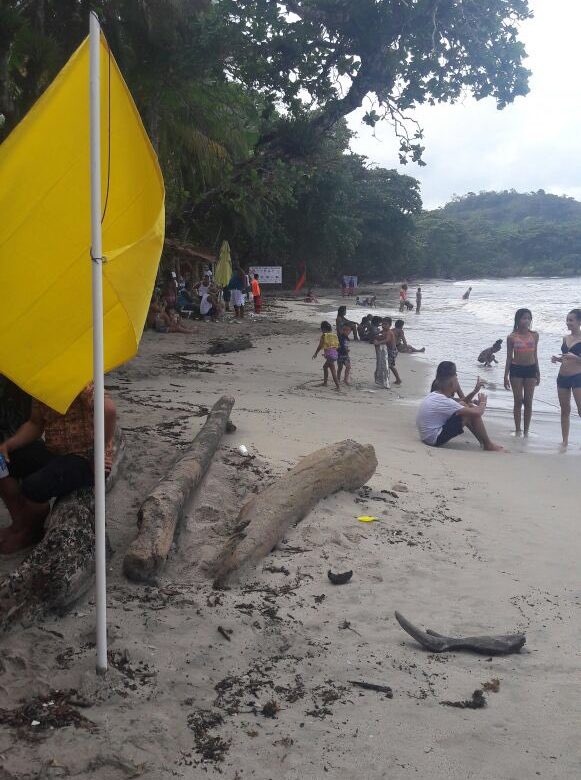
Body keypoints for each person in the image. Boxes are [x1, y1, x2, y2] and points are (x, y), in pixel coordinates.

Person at [0, 385, 117, 553]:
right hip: (57, 452)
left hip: (86, 459)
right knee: (2, 462)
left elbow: (109, 410)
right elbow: (35, 423)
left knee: (33, 487)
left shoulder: (80, 382)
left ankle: (31, 531)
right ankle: (19, 524)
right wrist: (8, 445)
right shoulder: (43, 384)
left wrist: (98, 452)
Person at [417, 361, 502, 451]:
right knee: (469, 413)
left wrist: (474, 391)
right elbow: (478, 412)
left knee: (465, 406)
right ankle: (488, 444)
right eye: (456, 378)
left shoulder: (436, 394)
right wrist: (483, 402)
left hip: (427, 436)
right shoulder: (443, 399)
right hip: (433, 439)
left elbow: (459, 403)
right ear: (452, 383)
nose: (457, 380)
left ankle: (483, 442)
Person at [504, 308, 539, 437]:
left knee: (528, 401)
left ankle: (526, 431)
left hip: (531, 370)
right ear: (518, 320)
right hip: (516, 370)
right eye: (524, 318)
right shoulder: (511, 337)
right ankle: (518, 430)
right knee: (518, 400)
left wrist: (538, 372)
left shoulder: (535, 335)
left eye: (529, 318)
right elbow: (509, 357)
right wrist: (505, 376)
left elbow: (535, 355)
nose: (527, 320)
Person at [551, 308, 581, 448]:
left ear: (579, 322)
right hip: (562, 377)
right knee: (564, 410)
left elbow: (574, 358)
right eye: (567, 320)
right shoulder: (565, 338)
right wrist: (557, 359)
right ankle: (565, 441)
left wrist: (575, 357)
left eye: (571, 320)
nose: (568, 323)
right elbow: (565, 358)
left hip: (577, 377)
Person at [313, 321, 341, 391]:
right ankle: (325, 383)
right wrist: (329, 353)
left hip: (330, 356)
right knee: (325, 367)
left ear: (323, 329)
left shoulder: (324, 335)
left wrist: (316, 353)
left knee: (333, 370)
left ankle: (338, 387)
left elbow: (320, 346)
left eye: (321, 329)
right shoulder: (334, 335)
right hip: (335, 354)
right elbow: (337, 346)